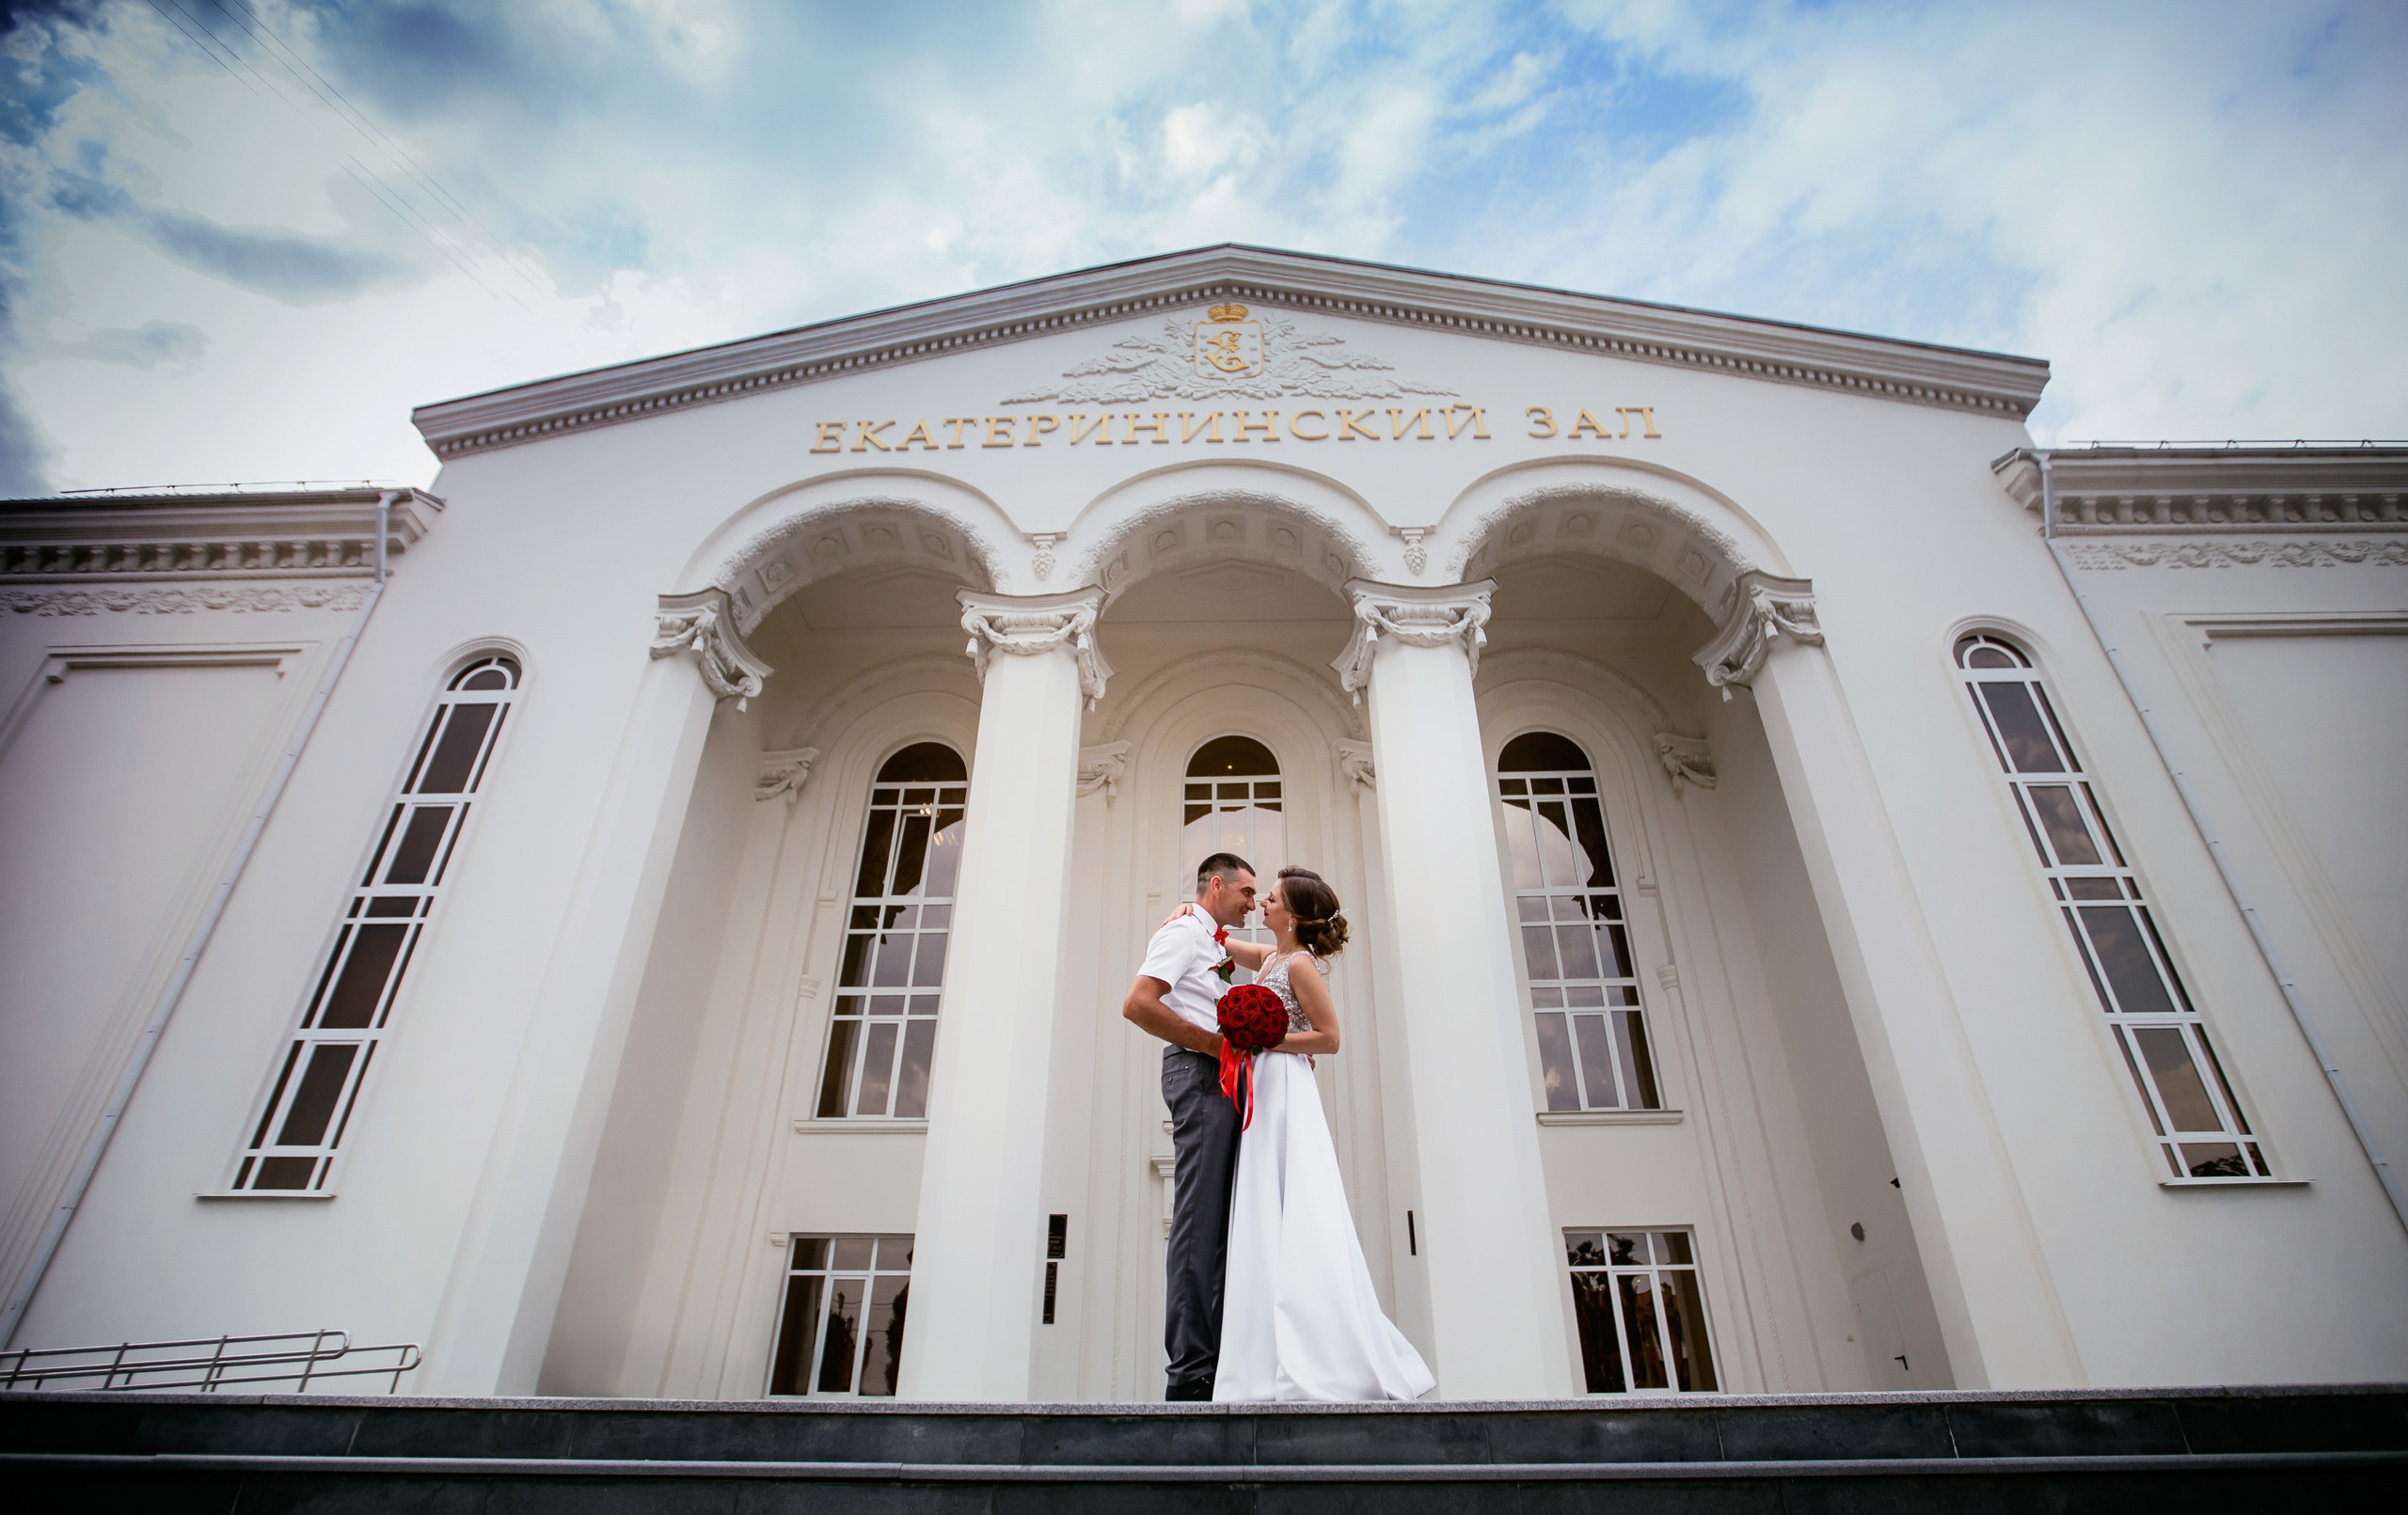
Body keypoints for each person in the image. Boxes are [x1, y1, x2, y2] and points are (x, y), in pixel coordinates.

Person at [1211, 867, 1434, 1402]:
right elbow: (1223, 945)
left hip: (1286, 1086)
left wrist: (1268, 1038)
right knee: (1266, 1203)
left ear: (1292, 914)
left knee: (1297, 1201)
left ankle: (1324, 1355)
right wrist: (1193, 919)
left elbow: (1329, 1039)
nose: (1262, 904)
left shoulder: (1301, 965)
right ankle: (1264, 1355)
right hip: (1262, 1084)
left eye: (1271, 899)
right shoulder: (1270, 959)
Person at [1121, 851, 1257, 1401]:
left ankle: (1216, 1358)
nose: (1253, 901)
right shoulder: (1182, 934)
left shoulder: (1213, 938)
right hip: (1199, 1073)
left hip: (1216, 1074)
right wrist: (1212, 1044)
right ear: (1217, 885)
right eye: (1247, 891)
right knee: (1198, 1221)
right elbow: (1137, 1003)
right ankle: (1191, 1372)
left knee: (1219, 1222)